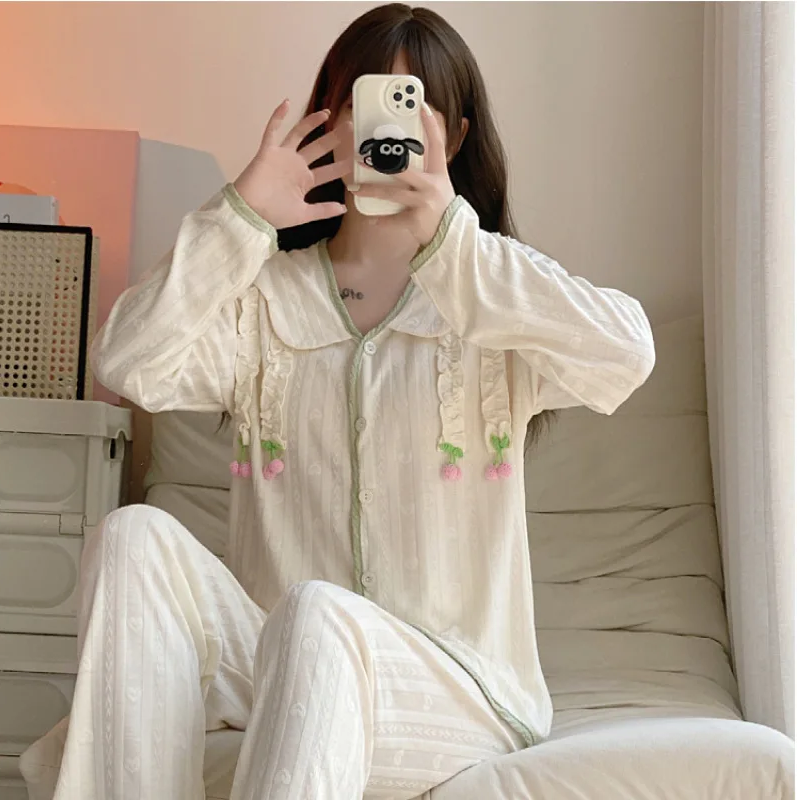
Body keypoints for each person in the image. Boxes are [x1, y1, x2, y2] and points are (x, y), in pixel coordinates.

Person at [49, 4, 655, 798]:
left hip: (455, 689)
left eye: (409, 108)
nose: (383, 134)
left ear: (453, 137)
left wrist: (451, 240)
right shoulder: (264, 299)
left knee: (318, 611)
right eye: (363, 106)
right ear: (327, 123)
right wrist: (240, 218)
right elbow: (128, 362)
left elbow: (626, 355)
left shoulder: (492, 295)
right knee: (134, 537)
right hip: (280, 660)